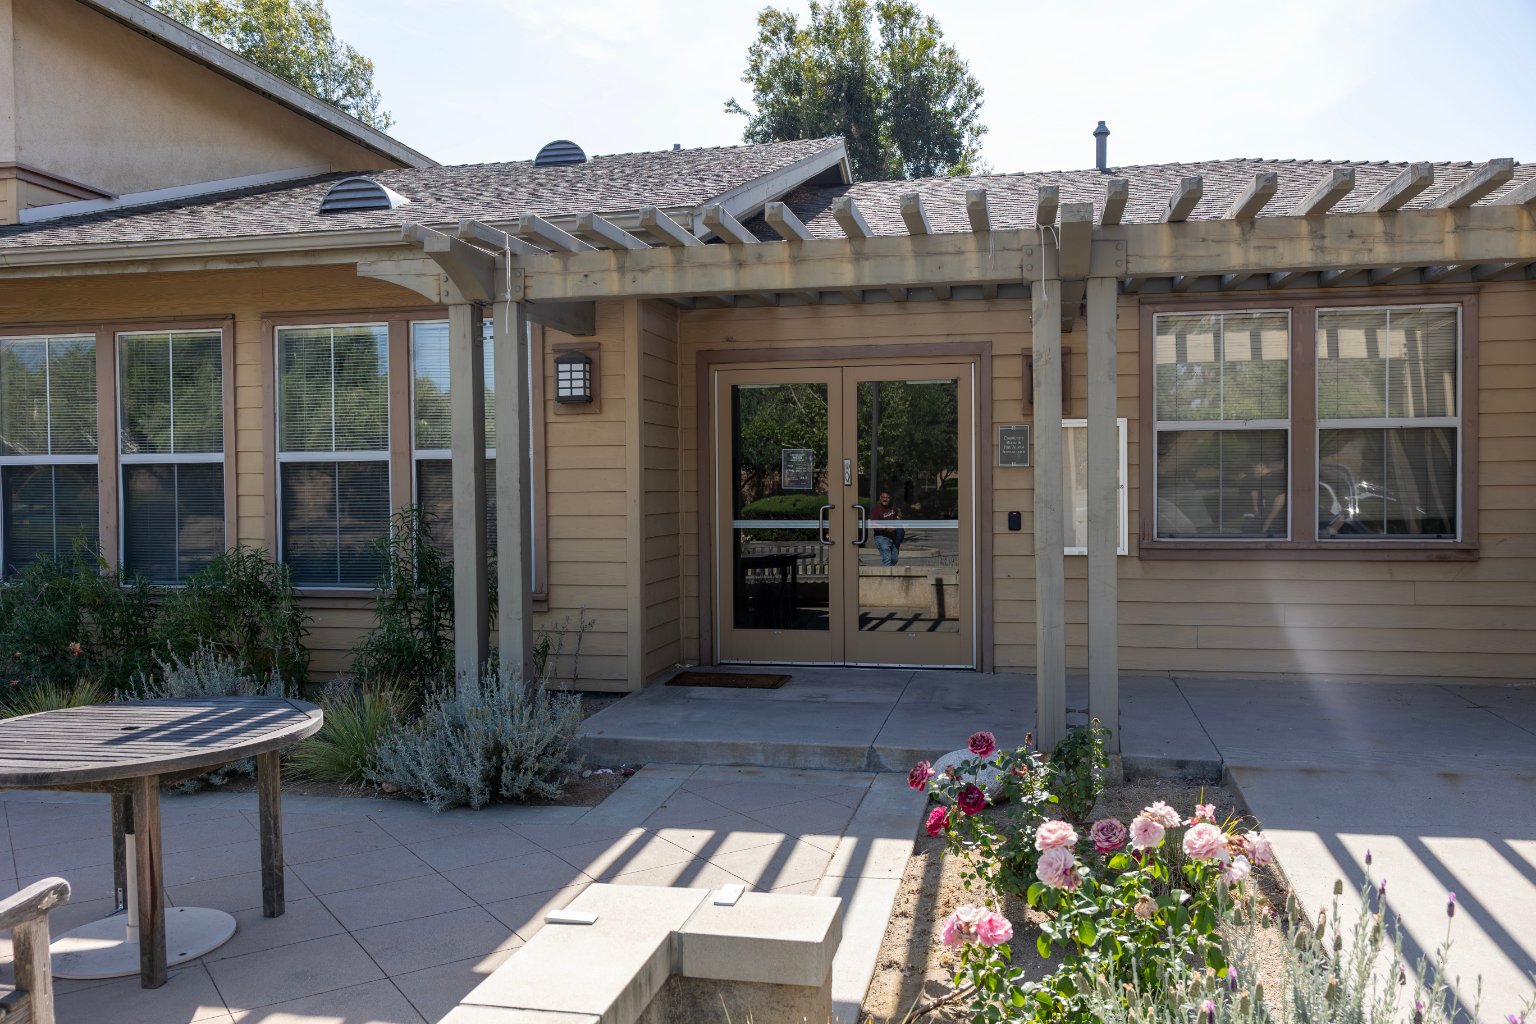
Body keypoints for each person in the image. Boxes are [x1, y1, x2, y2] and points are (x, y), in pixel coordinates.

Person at [871, 490, 905, 565]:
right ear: (880, 498)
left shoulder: (893, 505)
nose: (885, 499)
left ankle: (889, 574)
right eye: (883, 497)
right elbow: (874, 526)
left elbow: (896, 516)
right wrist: (886, 528)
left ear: (890, 498)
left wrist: (900, 526)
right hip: (881, 537)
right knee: (887, 559)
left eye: (887, 497)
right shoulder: (876, 509)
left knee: (894, 559)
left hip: (894, 537)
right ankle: (886, 576)